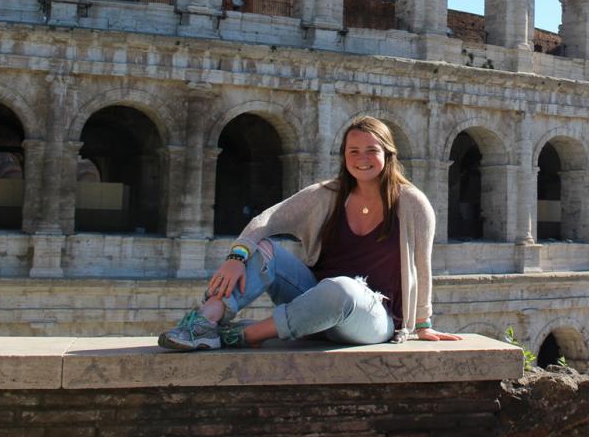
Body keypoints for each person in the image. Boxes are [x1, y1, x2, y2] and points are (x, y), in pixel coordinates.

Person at [159, 116, 460, 349]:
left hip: (373, 319)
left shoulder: (412, 203)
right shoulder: (325, 195)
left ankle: (246, 335)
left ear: (388, 154)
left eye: (372, 150)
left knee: (342, 288)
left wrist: (423, 323)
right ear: (344, 156)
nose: (362, 158)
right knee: (265, 249)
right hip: (314, 303)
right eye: (353, 151)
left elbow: (422, 265)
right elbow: (268, 219)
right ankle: (203, 323)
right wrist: (237, 256)